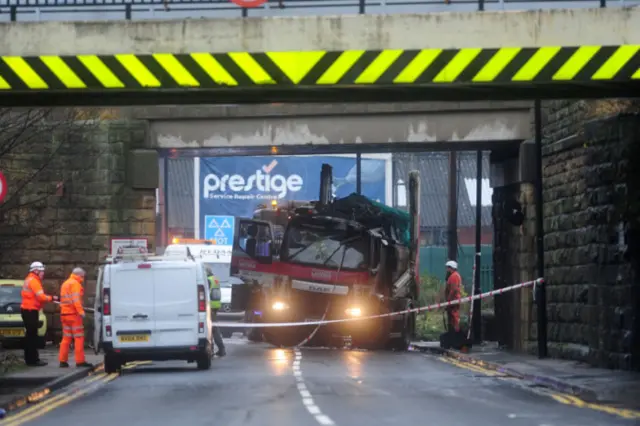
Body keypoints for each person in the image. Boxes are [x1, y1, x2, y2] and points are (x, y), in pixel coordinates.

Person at [21, 261, 57, 366]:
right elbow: (41, 297)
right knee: (32, 336)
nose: (43, 273)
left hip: (28, 310)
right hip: (30, 310)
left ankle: (29, 359)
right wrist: (52, 298)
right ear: (36, 271)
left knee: (30, 335)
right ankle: (33, 360)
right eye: (42, 271)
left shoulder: (30, 279)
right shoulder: (34, 281)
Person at [58, 268, 93, 368]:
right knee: (79, 338)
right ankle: (80, 361)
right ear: (80, 275)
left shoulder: (65, 283)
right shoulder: (75, 284)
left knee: (66, 338)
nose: (83, 279)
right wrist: (81, 312)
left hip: (64, 315)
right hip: (74, 315)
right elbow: (76, 300)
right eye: (82, 277)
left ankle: (62, 361)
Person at [207, 269, 226, 357]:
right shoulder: (214, 279)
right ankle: (217, 349)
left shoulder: (208, 280)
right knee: (213, 328)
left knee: (212, 329)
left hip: (209, 307)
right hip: (215, 306)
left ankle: (217, 349)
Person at [444, 260, 462, 333]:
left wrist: (449, 300)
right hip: (453, 300)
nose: (447, 269)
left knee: (454, 317)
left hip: (453, 300)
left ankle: (456, 334)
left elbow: (454, 289)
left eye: (448, 268)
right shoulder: (453, 276)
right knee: (452, 318)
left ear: (451, 268)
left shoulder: (454, 276)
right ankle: (453, 334)